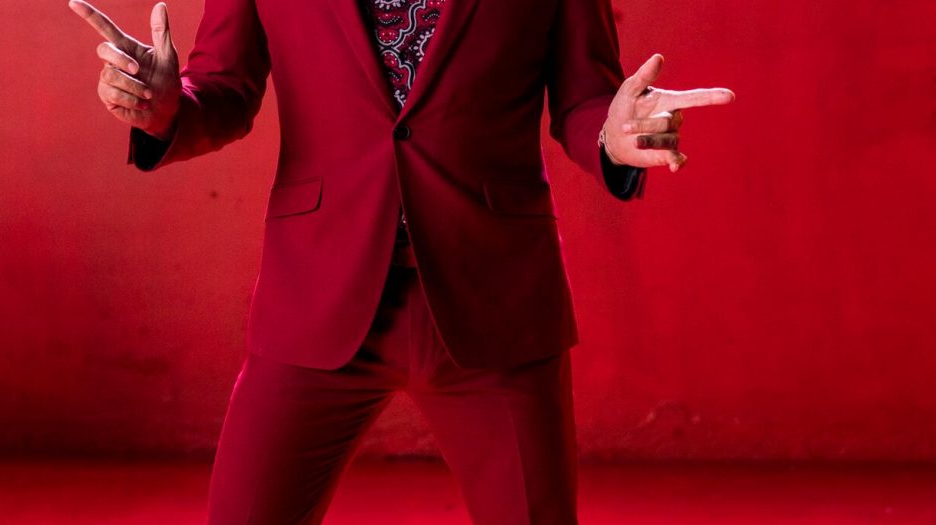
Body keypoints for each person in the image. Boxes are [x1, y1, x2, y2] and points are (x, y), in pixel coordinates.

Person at [69, 0, 733, 523]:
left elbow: (587, 96)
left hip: (493, 298)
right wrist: (167, 108)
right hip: (319, 292)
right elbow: (223, 86)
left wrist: (612, 135)